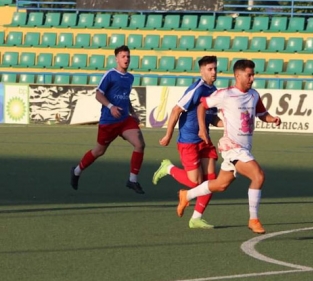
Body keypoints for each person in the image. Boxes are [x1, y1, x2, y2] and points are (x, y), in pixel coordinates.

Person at [176, 59, 281, 234]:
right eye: (249, 75)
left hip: (244, 148)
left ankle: (186, 195)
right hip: (232, 147)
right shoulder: (225, 95)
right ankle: (253, 219)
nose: (252, 78)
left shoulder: (254, 95)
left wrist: (272, 119)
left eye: (253, 74)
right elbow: (202, 106)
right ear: (237, 75)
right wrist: (202, 128)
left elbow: (262, 113)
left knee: (220, 184)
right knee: (258, 176)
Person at [152, 56, 222, 229]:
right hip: (189, 141)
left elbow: (212, 118)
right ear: (201, 71)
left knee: (211, 180)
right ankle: (168, 168)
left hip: (204, 140)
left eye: (215, 69)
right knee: (195, 183)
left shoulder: (214, 91)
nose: (214, 72)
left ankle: (196, 218)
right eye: (210, 69)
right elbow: (176, 110)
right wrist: (168, 135)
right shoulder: (196, 89)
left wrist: (231, 125)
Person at [70, 45, 146, 194]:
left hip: (124, 119)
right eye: (123, 56)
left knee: (140, 144)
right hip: (109, 121)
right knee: (98, 151)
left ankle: (132, 180)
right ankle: (77, 171)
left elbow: (126, 97)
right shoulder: (110, 75)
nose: (126, 59)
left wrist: (133, 113)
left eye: (128, 56)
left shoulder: (130, 77)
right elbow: (98, 94)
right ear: (116, 59)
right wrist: (111, 106)